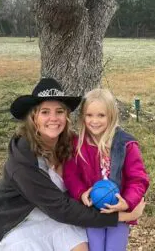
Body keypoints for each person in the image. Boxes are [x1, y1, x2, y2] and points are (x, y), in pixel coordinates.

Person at [0, 78, 146, 251]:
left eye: (59, 111)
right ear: (34, 117)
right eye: (45, 112)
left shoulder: (70, 143)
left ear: (67, 116)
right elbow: (61, 208)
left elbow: (136, 177)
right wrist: (123, 216)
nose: (53, 118)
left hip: (57, 218)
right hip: (20, 222)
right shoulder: (22, 161)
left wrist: (129, 200)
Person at [63, 88, 150, 251]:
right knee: (95, 247)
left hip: (118, 213)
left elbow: (138, 179)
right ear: (83, 117)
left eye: (101, 115)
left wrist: (127, 202)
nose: (94, 121)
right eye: (89, 115)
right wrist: (81, 192)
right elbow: (70, 175)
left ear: (111, 116)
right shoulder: (77, 144)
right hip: (91, 212)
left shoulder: (125, 145)